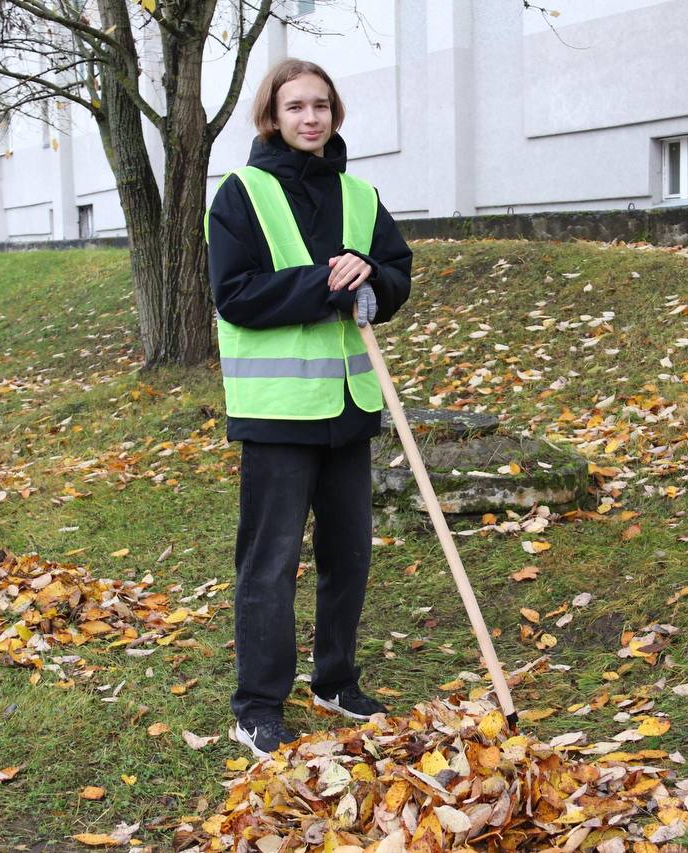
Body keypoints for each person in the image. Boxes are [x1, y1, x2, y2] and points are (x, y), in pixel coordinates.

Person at [205, 58, 412, 759]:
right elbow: (237, 293)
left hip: (350, 407)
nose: (311, 117)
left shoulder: (360, 193)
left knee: (348, 556)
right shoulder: (242, 194)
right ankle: (258, 705)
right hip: (279, 411)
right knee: (269, 564)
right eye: (296, 106)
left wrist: (372, 275)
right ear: (273, 115)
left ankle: (336, 681)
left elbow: (397, 274)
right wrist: (326, 280)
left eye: (321, 105)